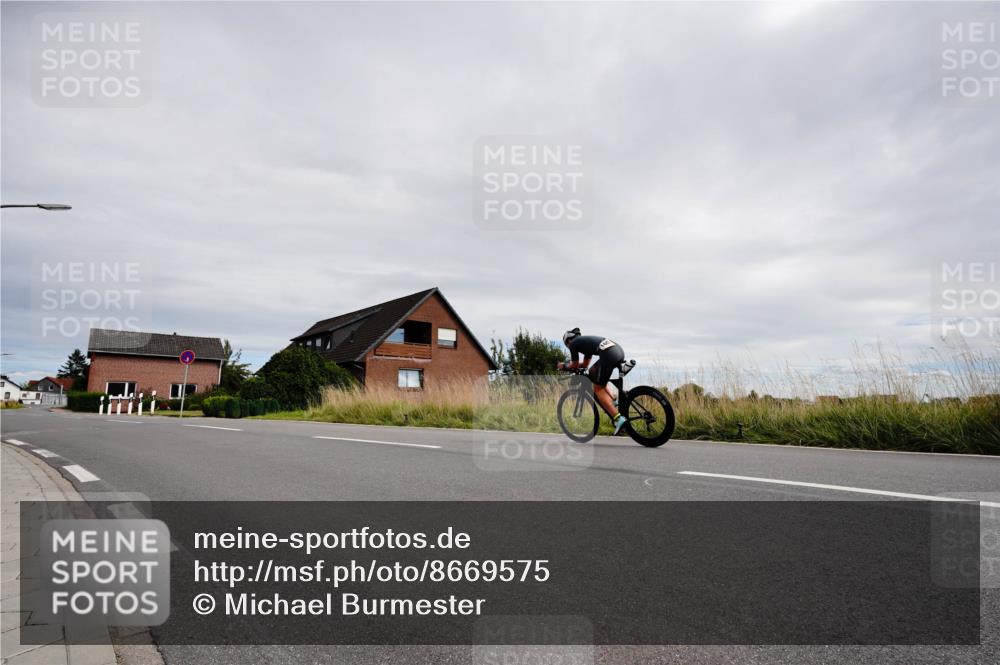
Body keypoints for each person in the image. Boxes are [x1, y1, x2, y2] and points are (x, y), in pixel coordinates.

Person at [557, 328, 628, 435]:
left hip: (608, 355)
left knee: (597, 388)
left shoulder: (573, 344)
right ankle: (613, 400)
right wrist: (571, 366)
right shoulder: (584, 343)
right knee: (592, 373)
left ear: (568, 341)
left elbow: (575, 365)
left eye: (566, 344)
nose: (567, 346)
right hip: (617, 351)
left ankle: (618, 419)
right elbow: (585, 365)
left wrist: (564, 366)